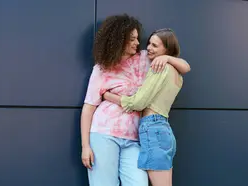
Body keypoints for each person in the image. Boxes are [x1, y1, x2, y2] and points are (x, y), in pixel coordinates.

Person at [80, 14, 190, 186]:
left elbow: (183, 66)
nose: (138, 43)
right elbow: (88, 108)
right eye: (132, 39)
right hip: (104, 133)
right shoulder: (101, 69)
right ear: (118, 40)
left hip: (135, 138)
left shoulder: (146, 58)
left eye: (137, 39)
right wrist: (85, 146)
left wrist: (168, 57)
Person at [102, 28, 183, 186]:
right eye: (149, 44)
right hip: (164, 130)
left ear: (166, 49)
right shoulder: (177, 72)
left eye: (155, 45)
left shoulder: (159, 68)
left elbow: (138, 103)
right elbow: (186, 66)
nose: (149, 49)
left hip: (153, 129)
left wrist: (109, 96)